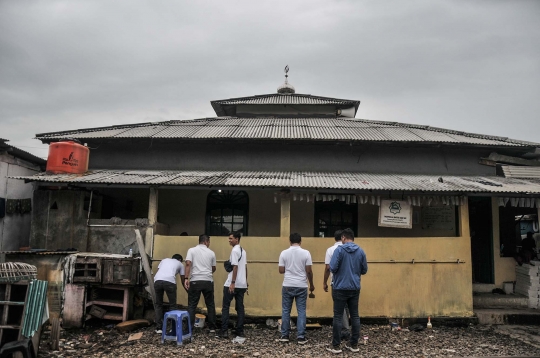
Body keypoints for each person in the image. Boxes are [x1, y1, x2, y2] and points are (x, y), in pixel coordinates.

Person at [327, 228, 368, 354]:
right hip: (355, 287)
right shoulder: (361, 251)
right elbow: (364, 270)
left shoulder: (339, 250)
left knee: (338, 316)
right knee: (354, 315)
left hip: (340, 287)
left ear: (343, 238)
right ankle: (354, 344)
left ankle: (336, 346)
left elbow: (332, 268)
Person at [278, 232, 315, 345]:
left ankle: (285, 335)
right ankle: (301, 337)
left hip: (288, 284)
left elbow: (281, 270)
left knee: (285, 311)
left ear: (290, 241)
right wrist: (311, 285)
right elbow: (309, 271)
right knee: (301, 311)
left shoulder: (284, 253)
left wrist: (289, 268)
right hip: (301, 285)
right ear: (300, 241)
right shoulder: (306, 253)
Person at [217, 231, 248, 340]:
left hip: (232, 283)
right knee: (240, 308)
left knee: (226, 307)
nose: (229, 241)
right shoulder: (243, 251)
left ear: (237, 239)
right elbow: (245, 267)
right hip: (242, 284)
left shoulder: (234, 251)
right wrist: (245, 281)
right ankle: (239, 330)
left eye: (231, 239)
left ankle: (224, 331)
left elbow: (235, 267)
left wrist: (233, 283)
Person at [184, 234, 217, 332]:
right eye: (209, 242)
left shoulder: (191, 250)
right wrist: (207, 273)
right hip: (208, 281)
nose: (209, 244)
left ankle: (189, 328)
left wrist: (186, 278)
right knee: (210, 304)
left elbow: (188, 263)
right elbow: (214, 268)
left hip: (195, 281)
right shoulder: (211, 253)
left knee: (192, 305)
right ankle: (212, 328)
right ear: (206, 241)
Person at [323, 230, 350, 339]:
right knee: (347, 306)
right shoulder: (350, 249)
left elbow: (328, 268)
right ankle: (346, 327)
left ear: (335, 238)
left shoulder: (330, 250)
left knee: (339, 308)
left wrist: (324, 282)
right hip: (350, 282)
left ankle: (344, 330)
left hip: (336, 282)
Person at [154, 253, 186, 333]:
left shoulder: (164, 260)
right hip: (170, 282)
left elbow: (158, 271)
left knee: (158, 304)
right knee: (172, 305)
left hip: (157, 281)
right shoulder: (180, 264)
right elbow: (183, 280)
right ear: (180, 260)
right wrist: (187, 290)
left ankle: (159, 328)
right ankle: (173, 328)